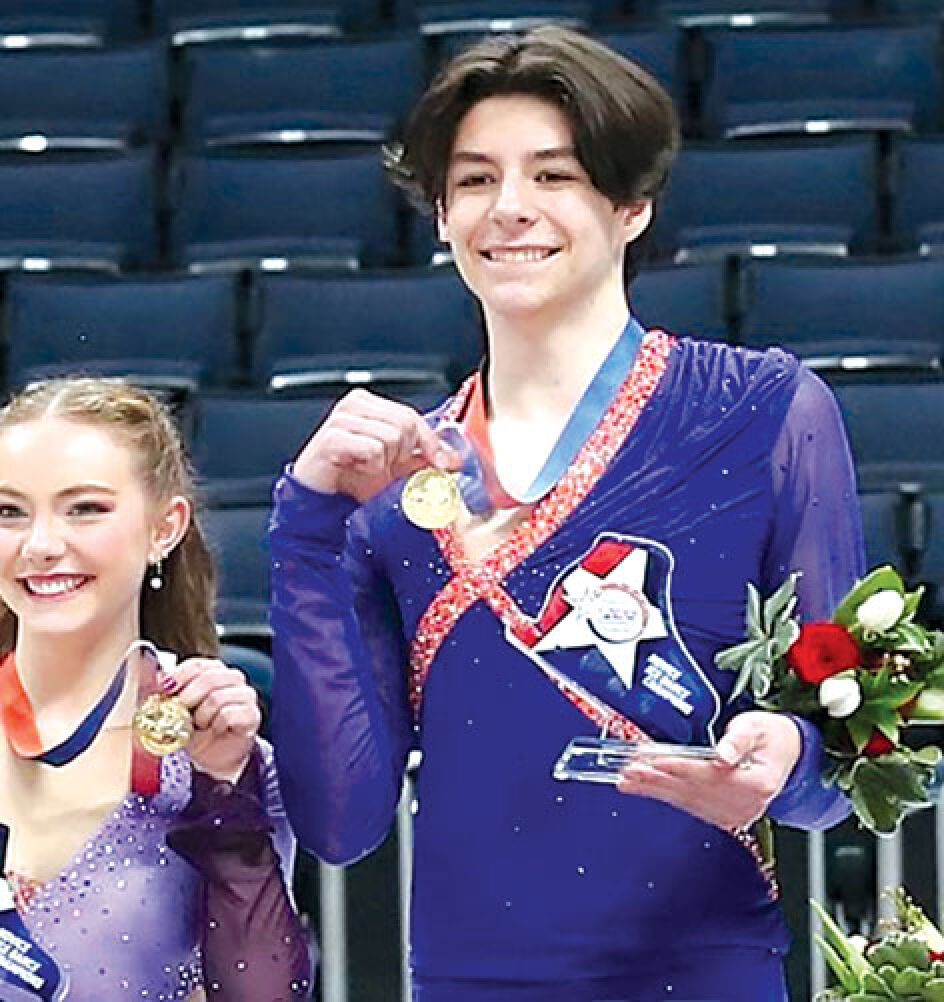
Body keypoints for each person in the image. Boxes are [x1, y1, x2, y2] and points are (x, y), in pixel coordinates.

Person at [268, 26, 863, 1002]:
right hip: (468, 980)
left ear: (632, 203)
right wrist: (303, 528)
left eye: (554, 176)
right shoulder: (395, 488)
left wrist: (793, 756)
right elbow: (343, 823)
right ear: (440, 216)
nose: (510, 210)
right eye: (473, 181)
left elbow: (852, 754)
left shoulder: (762, 414)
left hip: (703, 974)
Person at [0, 378, 312, 1002]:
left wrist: (225, 800)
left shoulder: (220, 761)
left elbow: (266, 994)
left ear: (165, 527)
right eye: (10, 511)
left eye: (85, 509)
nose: (42, 545)